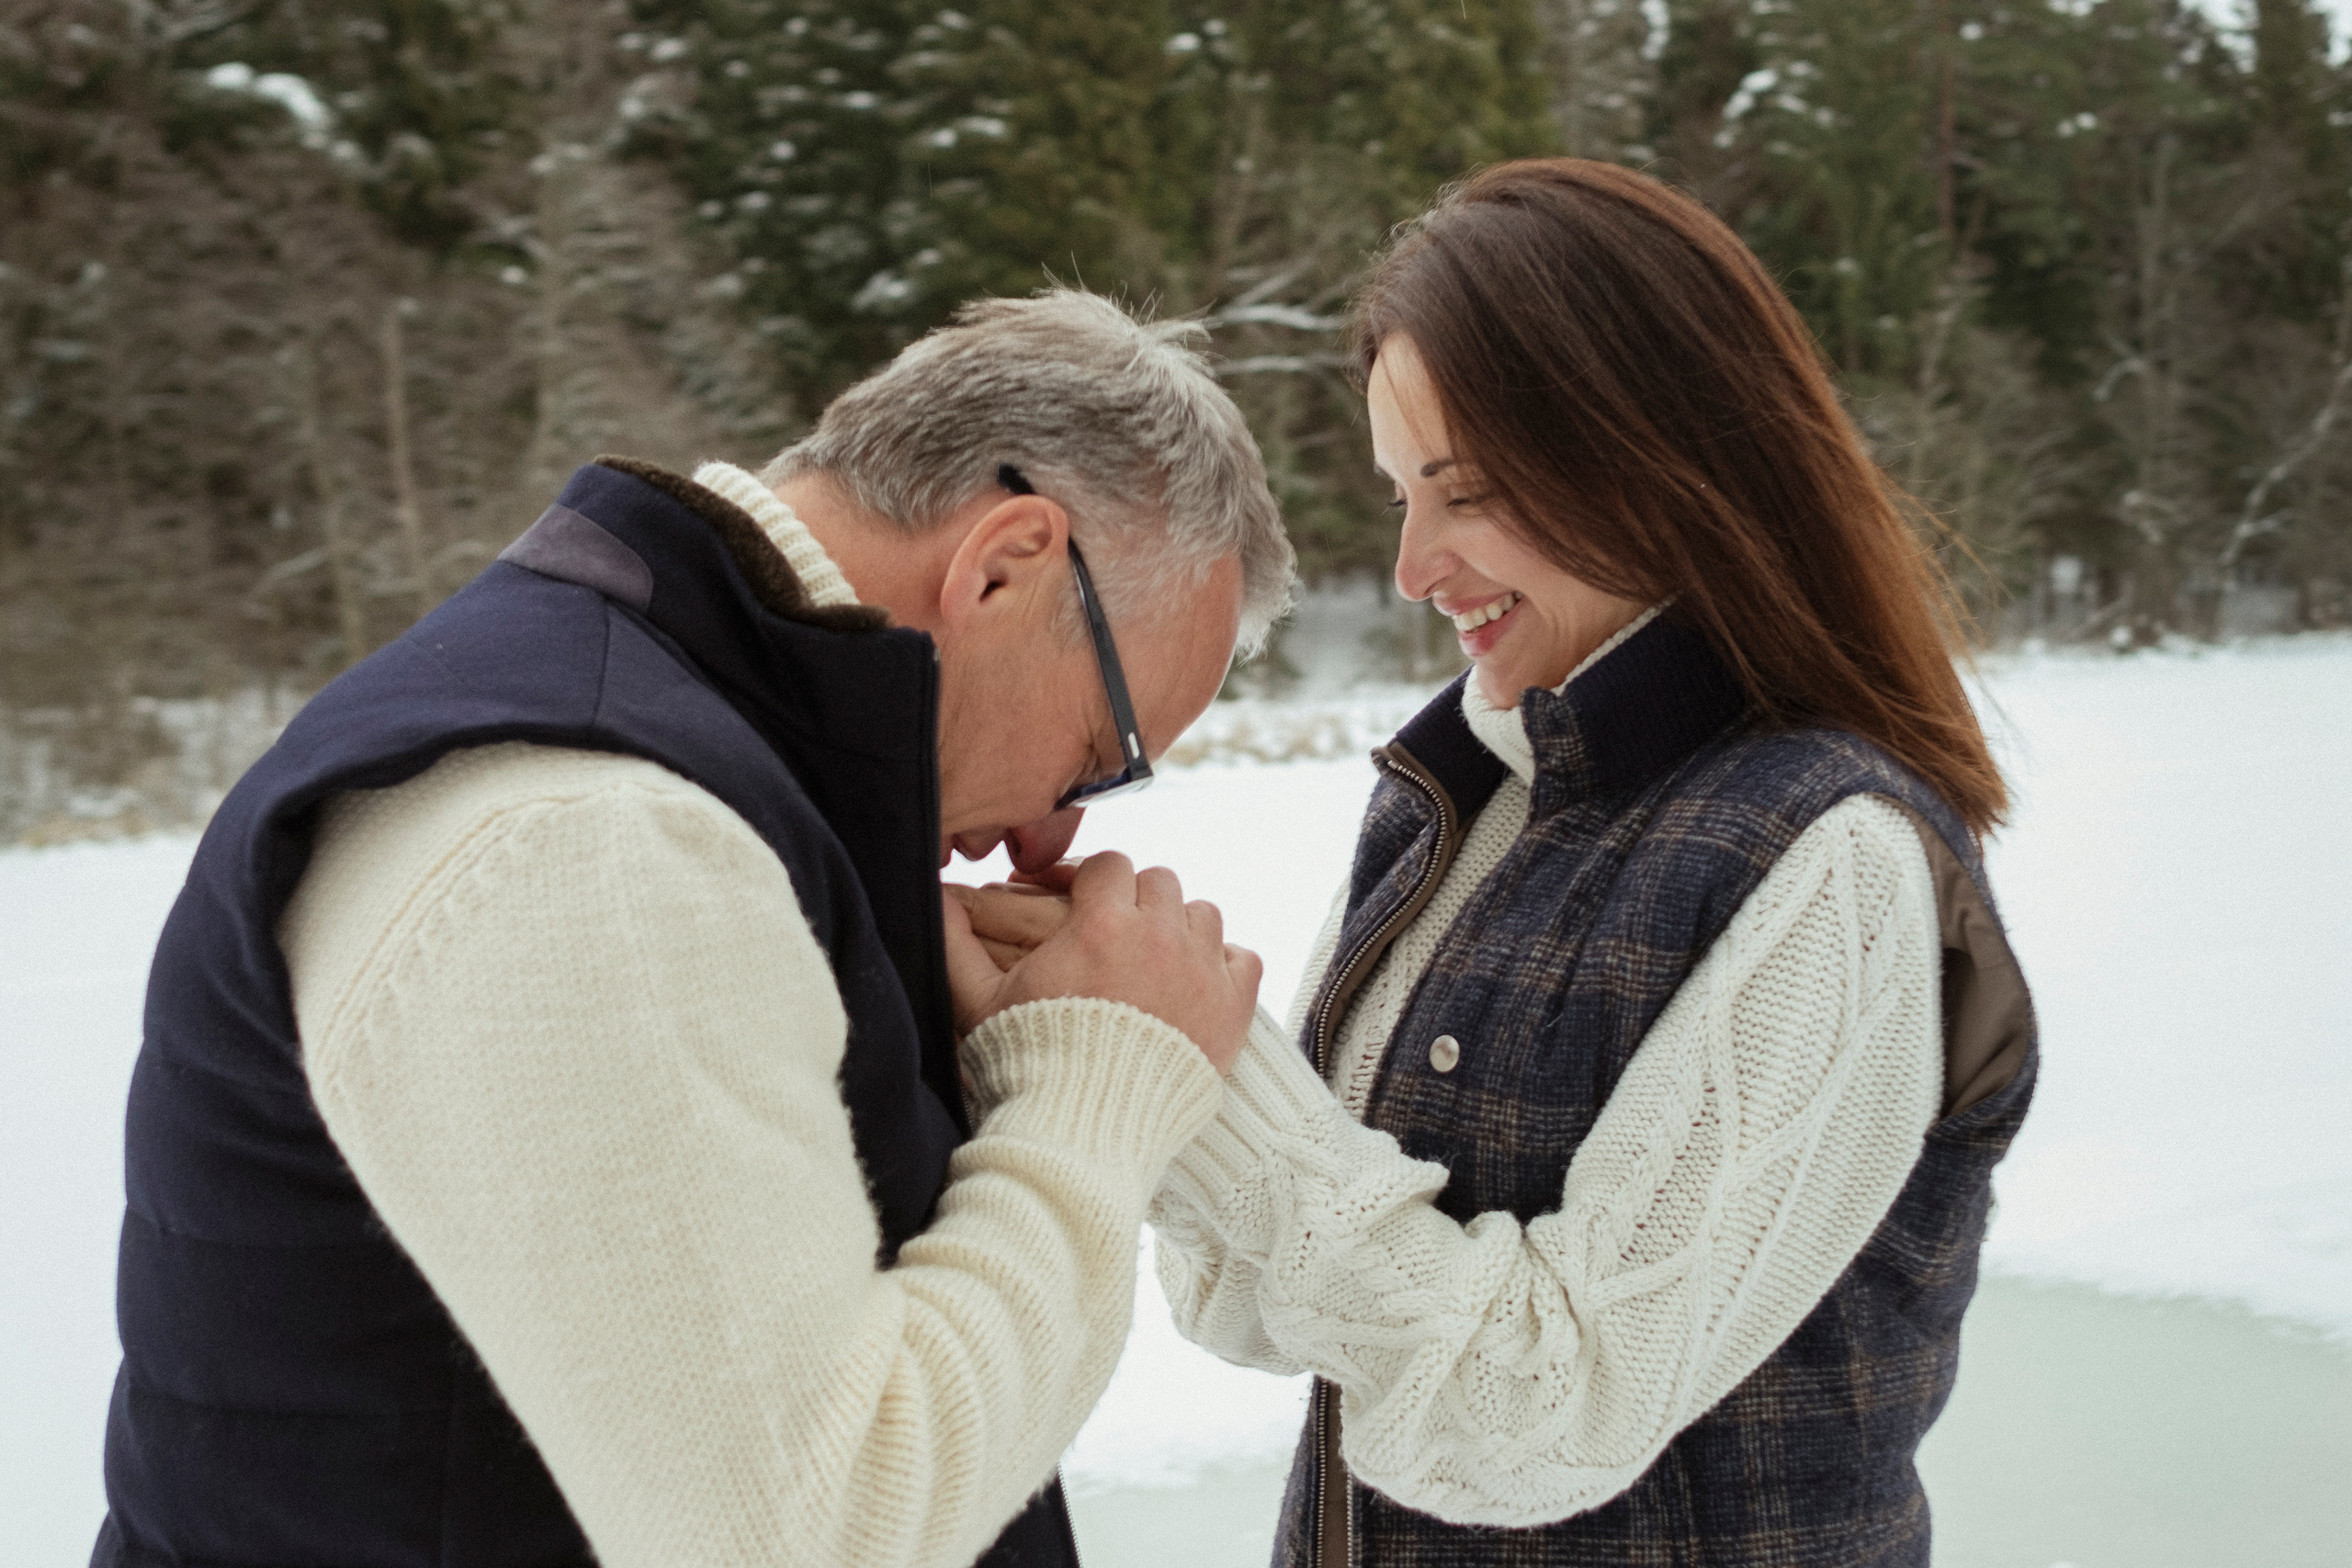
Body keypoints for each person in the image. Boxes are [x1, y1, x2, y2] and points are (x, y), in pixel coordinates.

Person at [95, 290, 1294, 1568]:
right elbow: (806, 1535)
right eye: (1099, 754)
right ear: (1003, 565)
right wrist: (1096, 1093)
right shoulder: (592, 843)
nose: (1050, 838)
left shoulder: (694, 784)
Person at [961, 161, 2038, 1566]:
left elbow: (1543, 1410)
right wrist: (1121, 1028)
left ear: (1650, 456)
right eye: (1401, 493)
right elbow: (1244, 1304)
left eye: (1461, 493)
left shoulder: (1833, 860)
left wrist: (1199, 1057)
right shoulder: (1457, 797)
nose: (1414, 567)